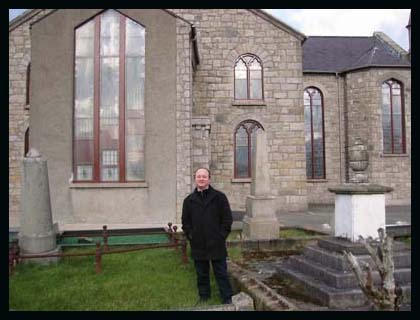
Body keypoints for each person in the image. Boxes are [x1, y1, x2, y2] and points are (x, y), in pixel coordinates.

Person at [182, 167, 234, 305]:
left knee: (221, 273)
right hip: (198, 244)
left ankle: (227, 297)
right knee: (201, 274)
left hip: (216, 243)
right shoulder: (189, 200)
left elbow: (227, 219)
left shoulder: (219, 197)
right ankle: (204, 296)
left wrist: (221, 236)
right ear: (195, 179)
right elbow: (185, 222)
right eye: (199, 176)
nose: (201, 179)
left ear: (209, 179)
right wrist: (191, 236)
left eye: (204, 176)